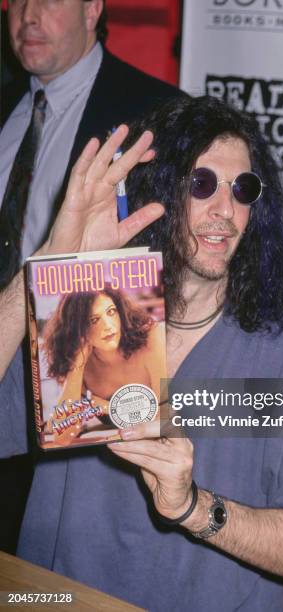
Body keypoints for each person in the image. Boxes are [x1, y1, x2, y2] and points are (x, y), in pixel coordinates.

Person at [0, 96, 283, 612]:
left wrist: (193, 508)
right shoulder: (85, 303)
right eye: (202, 183)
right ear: (160, 189)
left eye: (243, 190)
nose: (225, 211)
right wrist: (46, 264)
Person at [0, 0, 180, 550]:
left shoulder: (158, 113)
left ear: (93, 8)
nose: (27, 15)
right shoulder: (7, 100)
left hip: (74, 410)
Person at [41, 287, 166, 445]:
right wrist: (77, 365)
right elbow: (62, 437)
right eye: (93, 320)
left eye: (111, 312)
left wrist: (101, 405)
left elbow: (164, 419)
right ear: (78, 330)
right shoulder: (79, 363)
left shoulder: (151, 337)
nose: (108, 325)